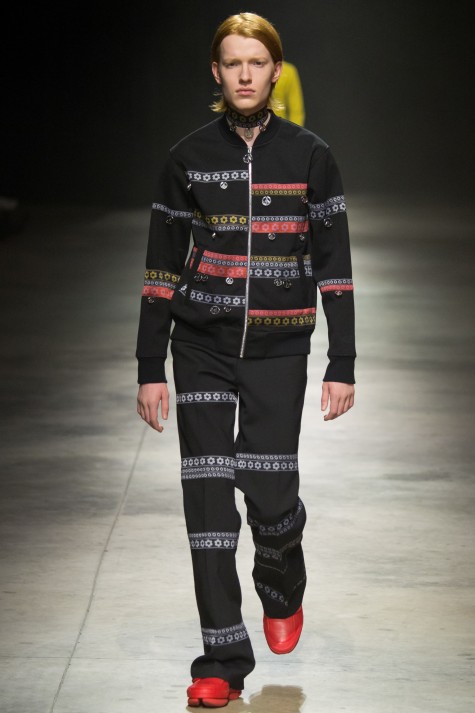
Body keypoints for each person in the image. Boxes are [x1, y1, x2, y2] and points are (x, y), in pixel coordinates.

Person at [136, 12, 355, 708]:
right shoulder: (187, 157)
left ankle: (280, 572)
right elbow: (160, 269)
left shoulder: (311, 156)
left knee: (268, 494)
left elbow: (335, 266)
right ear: (216, 72)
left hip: (278, 348)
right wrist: (149, 364)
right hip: (199, 345)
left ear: (275, 71)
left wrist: (342, 360)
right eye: (232, 63)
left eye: (256, 63)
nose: (244, 75)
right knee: (207, 504)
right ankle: (222, 659)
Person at [273, 60, 306, 126]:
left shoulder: (288, 71)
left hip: (279, 127)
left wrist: (294, 131)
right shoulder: (252, 70)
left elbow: (296, 111)